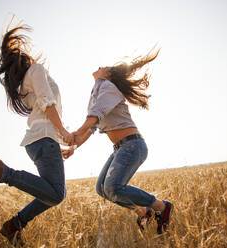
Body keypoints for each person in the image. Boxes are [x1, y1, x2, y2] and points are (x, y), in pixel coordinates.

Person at [0, 23, 74, 246]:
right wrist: (63, 132)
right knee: (56, 194)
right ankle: (0, 171)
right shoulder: (36, 71)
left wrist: (59, 140)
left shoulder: (25, 83)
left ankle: (15, 225)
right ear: (24, 59)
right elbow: (47, 104)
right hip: (44, 140)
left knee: (52, 193)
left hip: (41, 142)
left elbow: (43, 112)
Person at [62, 48, 173, 234]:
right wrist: (74, 146)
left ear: (109, 75)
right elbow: (92, 126)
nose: (99, 67)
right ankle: (144, 212)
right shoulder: (100, 90)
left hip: (132, 145)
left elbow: (93, 117)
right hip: (121, 148)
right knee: (102, 189)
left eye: (103, 67)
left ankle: (161, 207)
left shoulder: (108, 88)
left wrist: (76, 131)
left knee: (113, 187)